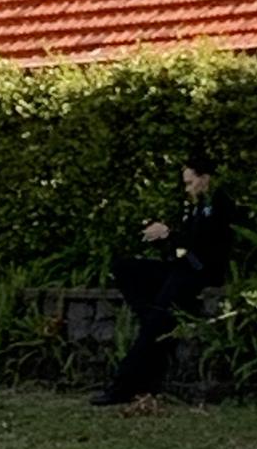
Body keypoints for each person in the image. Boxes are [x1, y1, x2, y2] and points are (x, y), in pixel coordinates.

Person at [91, 153, 235, 406]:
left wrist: (168, 233)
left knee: (154, 325)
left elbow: (203, 245)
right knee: (126, 268)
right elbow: (185, 241)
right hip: (181, 267)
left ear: (205, 179)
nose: (187, 188)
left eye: (190, 182)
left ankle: (123, 386)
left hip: (199, 272)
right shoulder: (196, 206)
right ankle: (152, 317)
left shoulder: (219, 205)